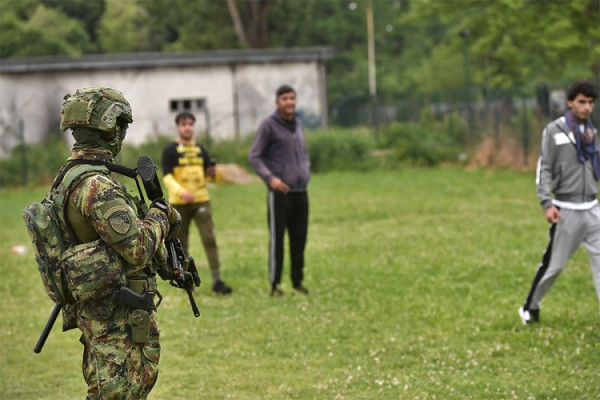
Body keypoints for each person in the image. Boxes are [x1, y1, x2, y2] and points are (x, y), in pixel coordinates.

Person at [57, 87, 179, 398]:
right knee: (119, 392)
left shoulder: (69, 176)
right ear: (110, 130)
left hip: (99, 306)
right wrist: (160, 215)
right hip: (116, 311)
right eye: (121, 126)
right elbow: (136, 249)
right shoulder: (98, 187)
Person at [519, 79, 600, 324]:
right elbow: (544, 168)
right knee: (553, 267)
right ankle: (530, 307)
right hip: (567, 210)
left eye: (591, 103)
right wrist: (547, 202)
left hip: (593, 209)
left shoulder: (592, 132)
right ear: (570, 103)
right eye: (582, 102)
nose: (587, 108)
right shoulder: (554, 130)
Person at [248, 85, 311, 296]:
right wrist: (270, 179)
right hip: (279, 193)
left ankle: (297, 281)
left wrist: (305, 170)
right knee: (278, 240)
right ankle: (274, 285)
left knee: (299, 238)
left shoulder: (298, 123)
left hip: (300, 191)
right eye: (285, 98)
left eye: (292, 98)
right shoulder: (269, 125)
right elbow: (254, 156)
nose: (289, 102)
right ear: (277, 102)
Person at [162, 111, 233, 295]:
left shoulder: (201, 150)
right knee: (180, 244)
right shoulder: (170, 150)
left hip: (201, 200)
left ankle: (217, 280)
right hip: (179, 203)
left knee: (209, 239)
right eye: (184, 124)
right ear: (178, 127)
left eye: (191, 124)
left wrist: (212, 176)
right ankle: (185, 279)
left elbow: (210, 178)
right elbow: (167, 176)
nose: (188, 127)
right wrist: (181, 192)